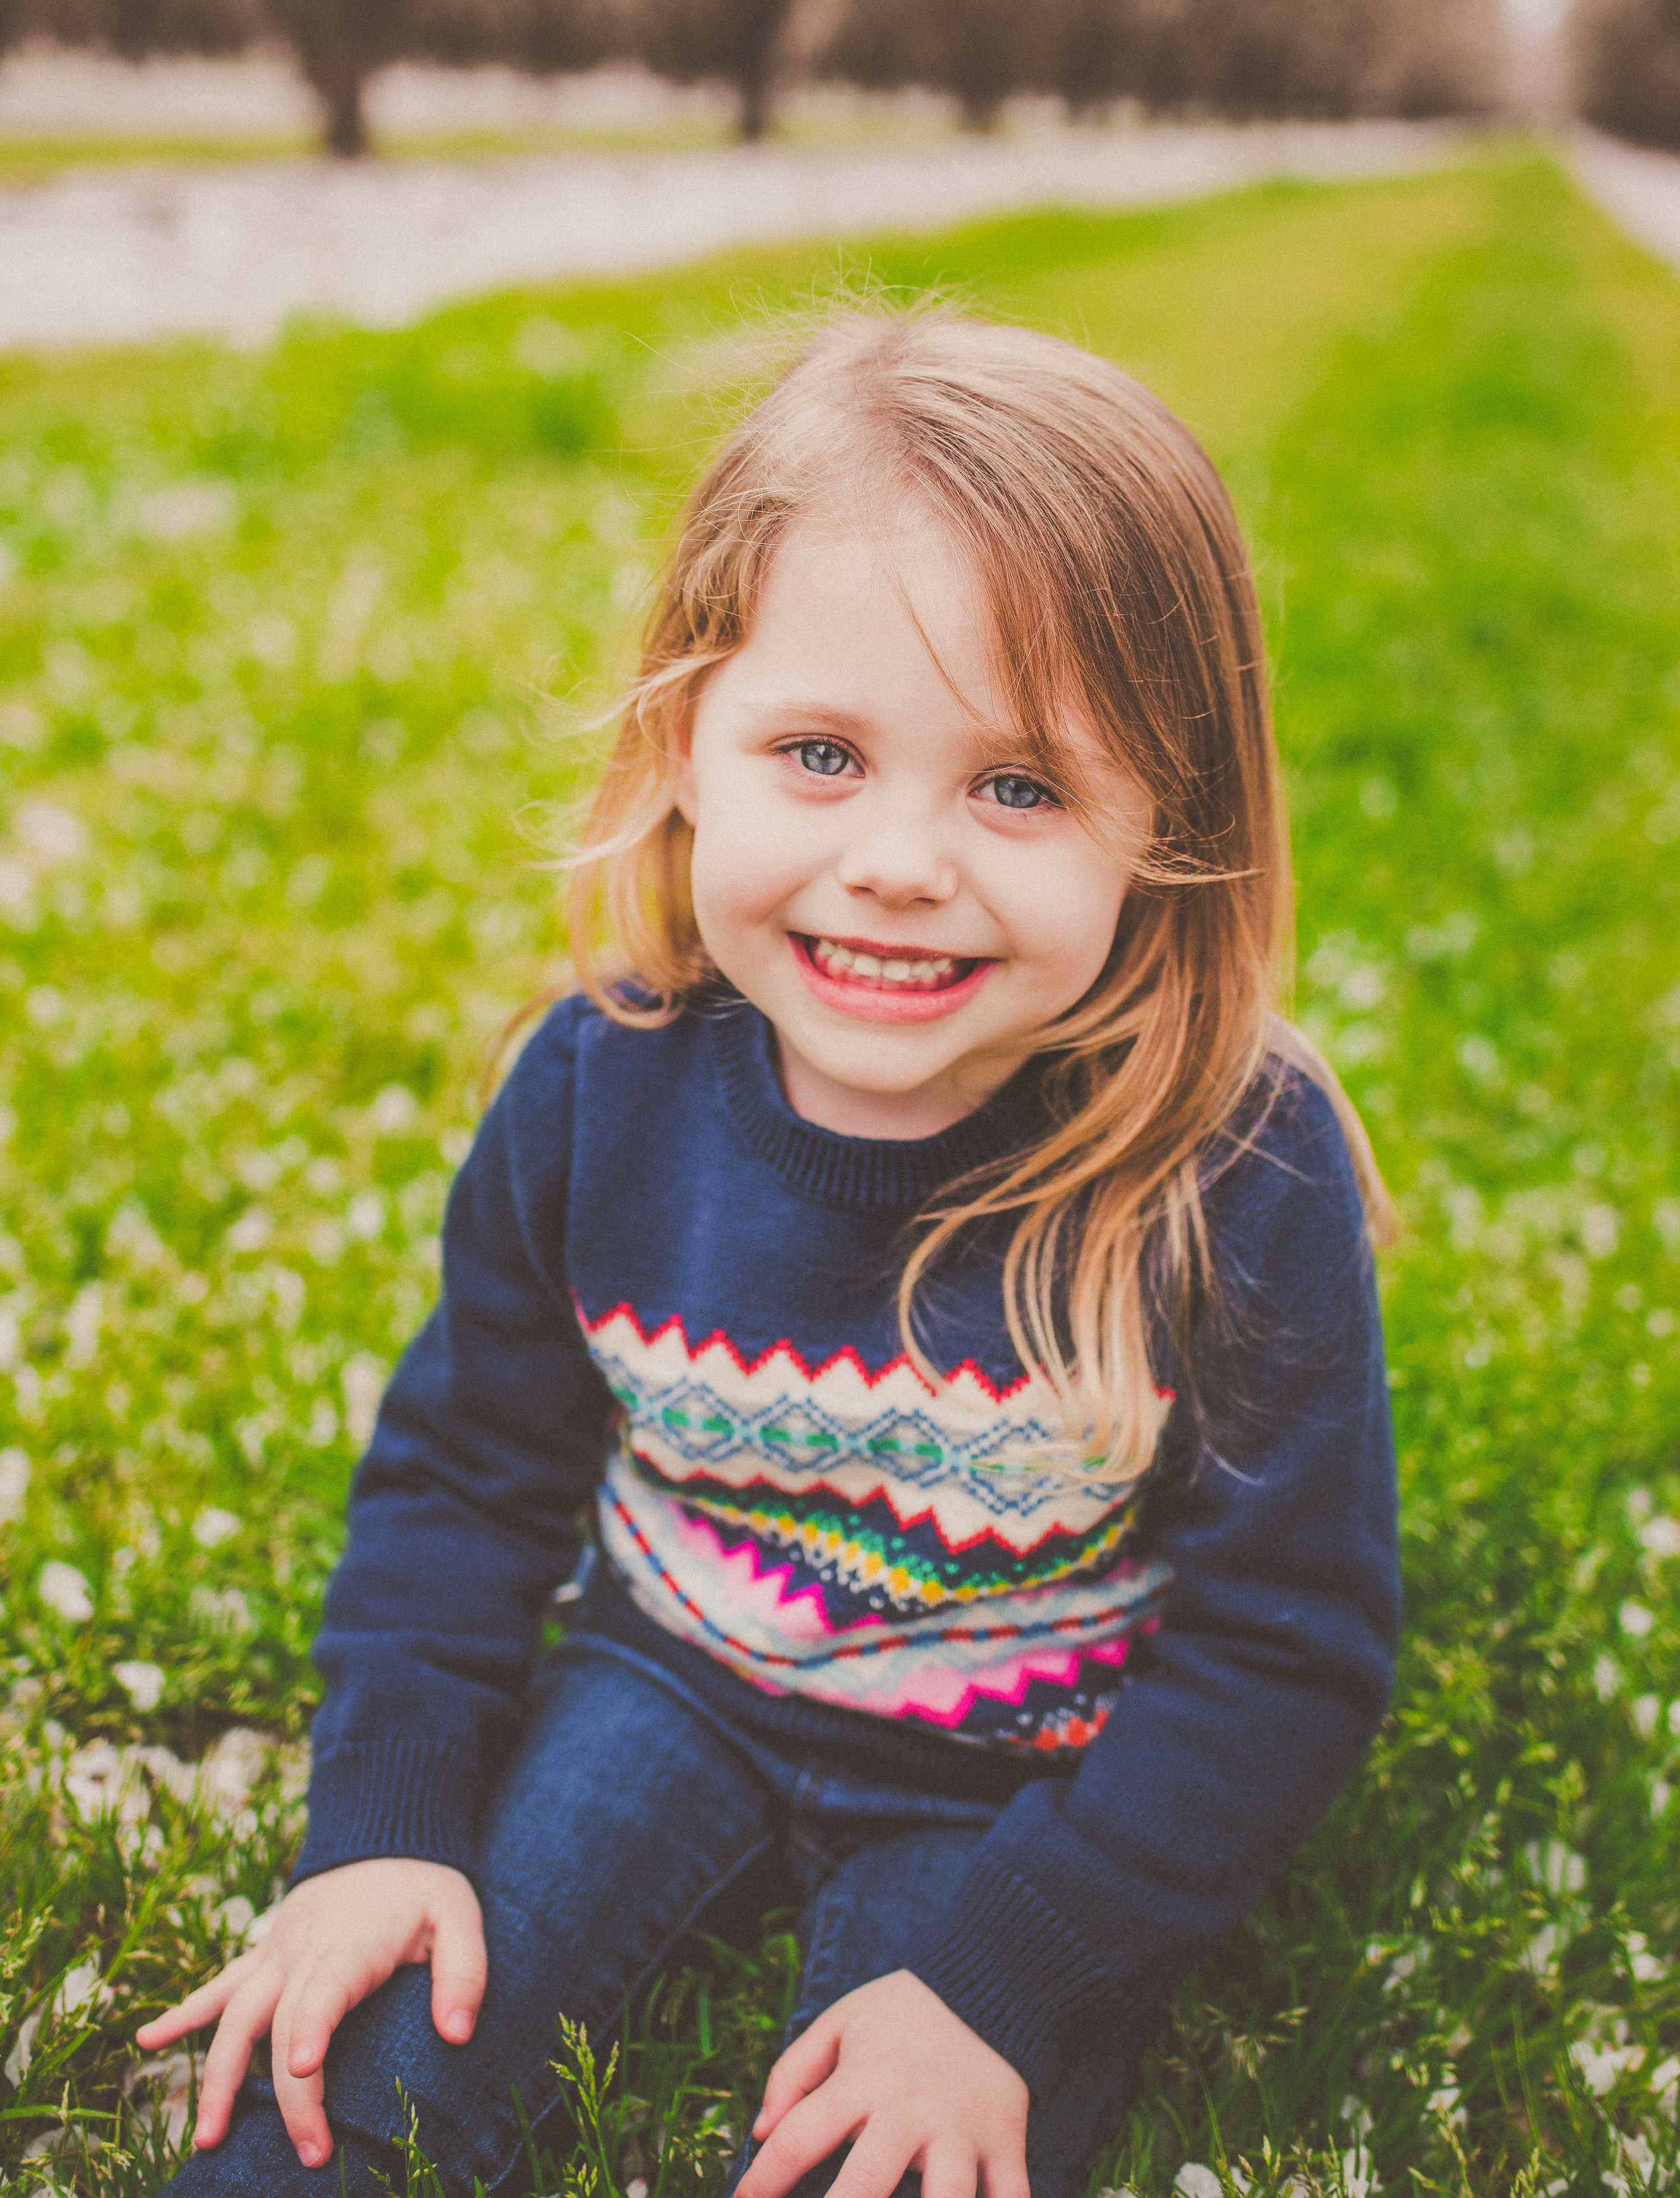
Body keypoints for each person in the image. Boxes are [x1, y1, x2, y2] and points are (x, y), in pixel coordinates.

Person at [140, 308, 1401, 2198]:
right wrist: (377, 1829)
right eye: (820, 751)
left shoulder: (1230, 1167)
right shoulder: (600, 1082)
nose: (899, 859)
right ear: (686, 743)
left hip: (1017, 1777)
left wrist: (1005, 1981)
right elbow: (466, 1477)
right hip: (662, 1678)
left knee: (911, 2161)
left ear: (1169, 821)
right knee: (335, 2090)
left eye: (1018, 785)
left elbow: (1283, 1644)